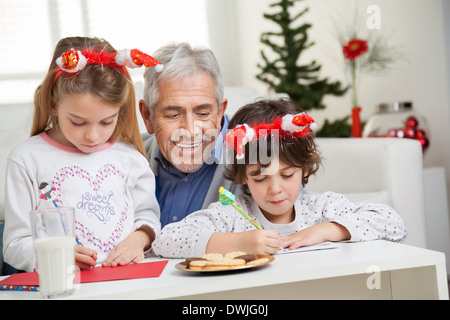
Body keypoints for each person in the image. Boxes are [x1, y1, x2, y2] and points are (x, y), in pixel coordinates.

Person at [152, 98, 407, 258]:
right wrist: (239, 242)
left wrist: (326, 230)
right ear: (243, 177)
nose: (275, 190)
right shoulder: (232, 215)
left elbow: (394, 224)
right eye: (259, 178)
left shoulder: (322, 209)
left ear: (305, 169)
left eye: (287, 175)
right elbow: (165, 241)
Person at [3, 36, 161, 272]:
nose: (93, 136)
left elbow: (148, 218)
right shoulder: (26, 159)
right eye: (78, 122)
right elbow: (14, 245)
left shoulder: (131, 159)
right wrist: (58, 255)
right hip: (66, 287)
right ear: (54, 105)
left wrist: (139, 239)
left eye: (107, 122)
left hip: (131, 284)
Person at [139, 42, 241, 228]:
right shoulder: (128, 156)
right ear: (148, 116)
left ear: (219, 113)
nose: (190, 130)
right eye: (173, 115)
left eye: (202, 114)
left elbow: (300, 224)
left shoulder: (257, 155)